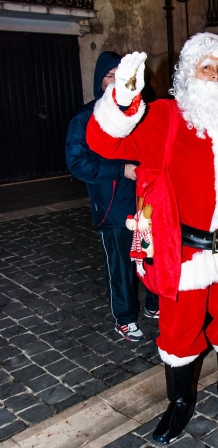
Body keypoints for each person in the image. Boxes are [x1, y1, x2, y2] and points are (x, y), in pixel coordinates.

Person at [86, 33, 218, 444]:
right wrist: (122, 100)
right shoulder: (166, 115)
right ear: (188, 73)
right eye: (206, 67)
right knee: (180, 334)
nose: (215, 77)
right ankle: (180, 403)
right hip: (185, 253)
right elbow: (103, 141)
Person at [65, 51, 159, 342]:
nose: (116, 80)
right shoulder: (85, 117)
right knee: (121, 265)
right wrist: (122, 170)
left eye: (122, 75)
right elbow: (78, 162)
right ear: (100, 81)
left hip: (146, 202)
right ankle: (125, 317)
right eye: (110, 75)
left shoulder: (144, 112)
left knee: (150, 256)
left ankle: (155, 304)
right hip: (112, 206)